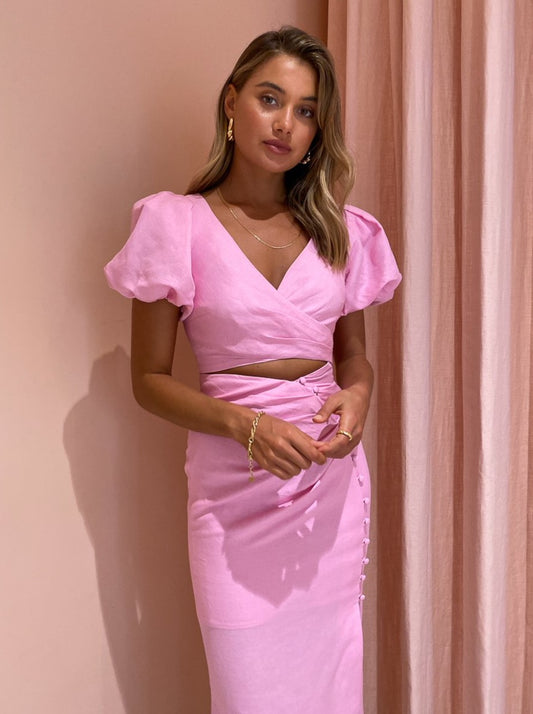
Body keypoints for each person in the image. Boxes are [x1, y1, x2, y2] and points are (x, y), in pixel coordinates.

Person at [105, 26, 401, 714]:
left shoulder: (341, 229)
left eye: (306, 111)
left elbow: (352, 356)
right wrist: (246, 427)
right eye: (271, 99)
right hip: (231, 491)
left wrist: (358, 395)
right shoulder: (174, 223)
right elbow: (148, 381)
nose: (286, 123)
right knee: (247, 691)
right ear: (232, 102)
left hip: (326, 484)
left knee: (329, 681)